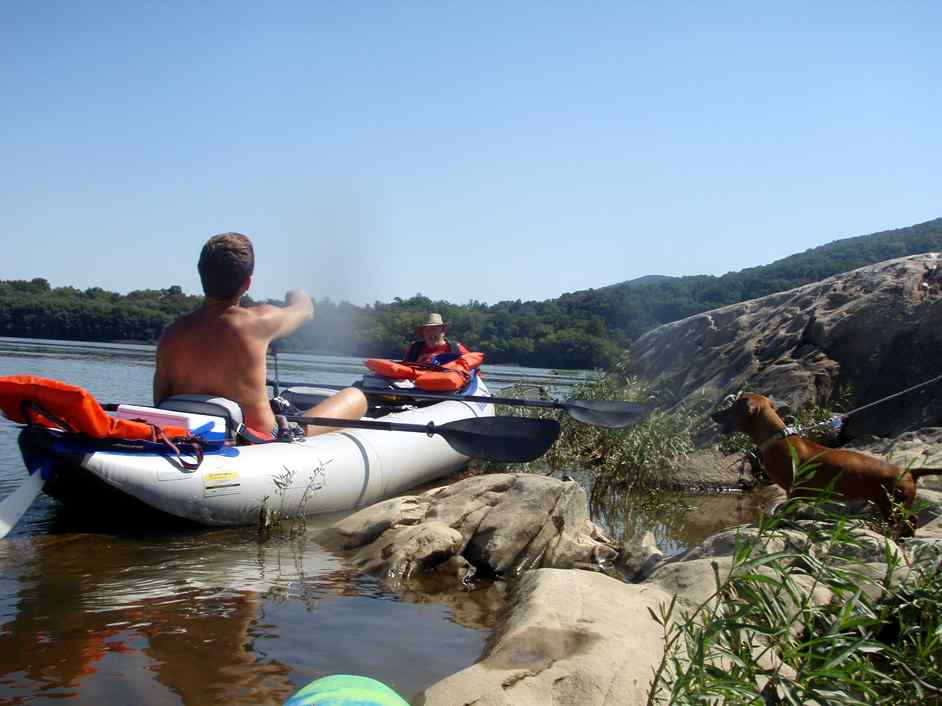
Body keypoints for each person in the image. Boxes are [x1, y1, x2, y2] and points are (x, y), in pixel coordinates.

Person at [153, 232, 367, 439]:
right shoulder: (260, 321)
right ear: (247, 284)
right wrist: (297, 294)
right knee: (356, 396)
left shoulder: (171, 334)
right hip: (257, 438)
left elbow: (160, 402)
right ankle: (301, 432)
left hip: (192, 436)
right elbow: (305, 310)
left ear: (200, 273)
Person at [403, 313, 469, 365]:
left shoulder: (455, 348)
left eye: (434, 329)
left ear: (443, 331)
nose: (431, 333)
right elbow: (404, 368)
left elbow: (473, 367)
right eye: (427, 330)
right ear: (423, 333)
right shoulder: (414, 348)